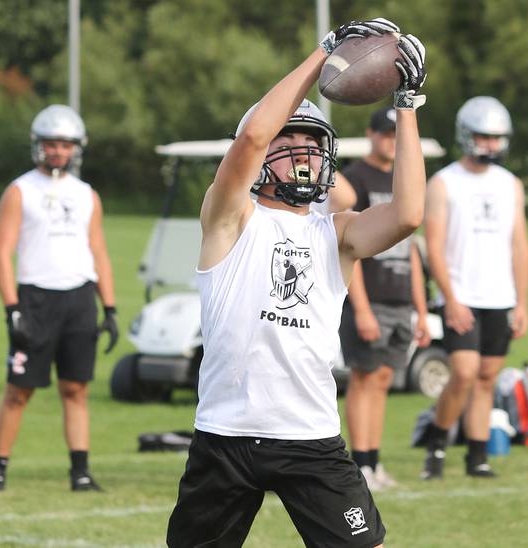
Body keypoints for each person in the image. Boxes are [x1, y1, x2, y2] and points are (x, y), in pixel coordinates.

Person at [167, 18, 427, 547]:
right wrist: (326, 52)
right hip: (226, 433)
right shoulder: (229, 217)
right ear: (261, 158)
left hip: (309, 434)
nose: (306, 155)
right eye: (292, 143)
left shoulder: (338, 232)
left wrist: (407, 106)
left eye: (313, 145)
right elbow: (255, 133)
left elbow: (409, 214)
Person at [0, 104, 119, 492]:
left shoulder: (86, 195)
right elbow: (1, 253)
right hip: (35, 299)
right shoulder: (20, 190)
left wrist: (108, 306)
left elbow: (98, 250)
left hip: (78, 299)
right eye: (51, 144)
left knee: (76, 388)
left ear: (77, 148)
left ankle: (80, 472)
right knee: (19, 390)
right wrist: (12, 309)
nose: (58, 151)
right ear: (38, 146)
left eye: (65, 144)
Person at [421, 96, 528, 480]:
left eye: (497, 138)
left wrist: (522, 303)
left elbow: (519, 245)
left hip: (500, 296)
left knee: (486, 377)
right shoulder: (444, 182)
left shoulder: (510, 185)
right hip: (460, 295)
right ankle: (436, 445)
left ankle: (477, 456)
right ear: (467, 136)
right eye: (484, 137)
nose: (491, 144)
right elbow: (432, 244)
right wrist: (450, 299)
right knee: (464, 373)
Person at [340, 106, 431, 491]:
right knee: (363, 380)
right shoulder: (354, 178)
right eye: (385, 134)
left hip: (399, 298)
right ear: (371, 135)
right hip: (370, 297)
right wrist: (360, 308)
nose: (391, 142)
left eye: (397, 136)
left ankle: (374, 463)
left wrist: (421, 309)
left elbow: (409, 249)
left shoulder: (403, 177)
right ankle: (359, 465)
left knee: (382, 381)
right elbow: (348, 247)